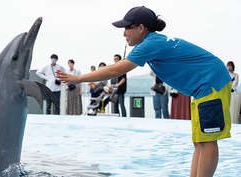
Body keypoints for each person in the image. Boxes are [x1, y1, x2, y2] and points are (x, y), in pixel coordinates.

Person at [56, 6, 232, 177]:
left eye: (127, 28)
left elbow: (117, 71)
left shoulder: (151, 43)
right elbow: (116, 66)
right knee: (199, 141)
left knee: (208, 141)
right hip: (204, 87)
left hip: (212, 83)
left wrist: (78, 79)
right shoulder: (151, 43)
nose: (124, 33)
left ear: (141, 28)